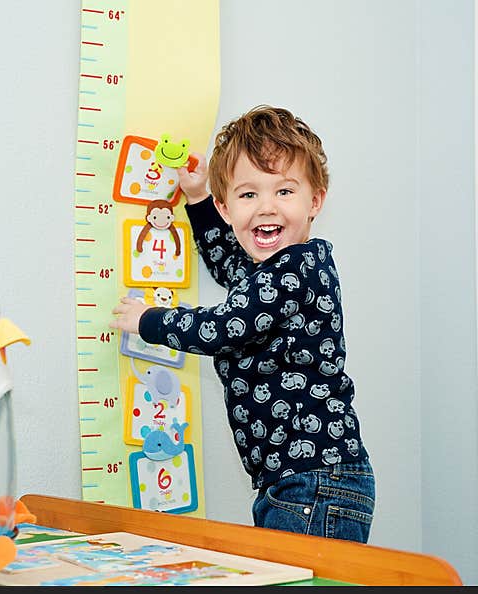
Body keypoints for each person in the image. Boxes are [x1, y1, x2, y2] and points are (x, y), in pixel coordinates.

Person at [110, 105, 374, 543]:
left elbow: (230, 323)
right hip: (293, 480)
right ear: (226, 207)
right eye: (248, 195)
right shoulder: (266, 271)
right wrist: (196, 198)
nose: (266, 207)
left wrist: (150, 321)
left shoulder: (300, 267)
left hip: (315, 481)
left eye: (284, 192)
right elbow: (229, 263)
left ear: (315, 201)